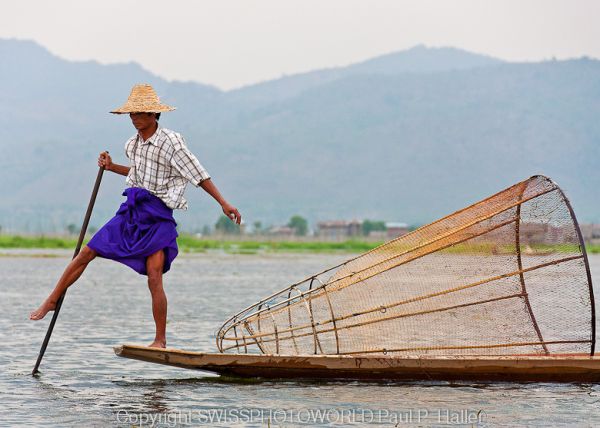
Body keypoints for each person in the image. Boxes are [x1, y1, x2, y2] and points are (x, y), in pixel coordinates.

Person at [29, 83, 241, 348]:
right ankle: (52, 298)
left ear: (154, 114)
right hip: (132, 210)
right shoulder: (132, 144)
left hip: (158, 215)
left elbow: (197, 173)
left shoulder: (171, 141)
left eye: (140, 113)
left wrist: (223, 202)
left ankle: (160, 340)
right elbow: (137, 174)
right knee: (86, 252)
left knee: (155, 276)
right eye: (132, 114)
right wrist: (110, 166)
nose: (135, 118)